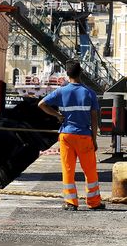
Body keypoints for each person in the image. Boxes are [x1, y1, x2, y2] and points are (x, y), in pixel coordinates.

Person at [38, 60, 105, 211]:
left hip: (66, 135)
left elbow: (41, 104)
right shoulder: (89, 93)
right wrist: (94, 139)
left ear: (67, 74)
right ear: (80, 73)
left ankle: (71, 202)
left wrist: (57, 115)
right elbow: (94, 119)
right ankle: (94, 202)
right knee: (90, 170)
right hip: (84, 136)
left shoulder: (61, 92)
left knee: (68, 169)